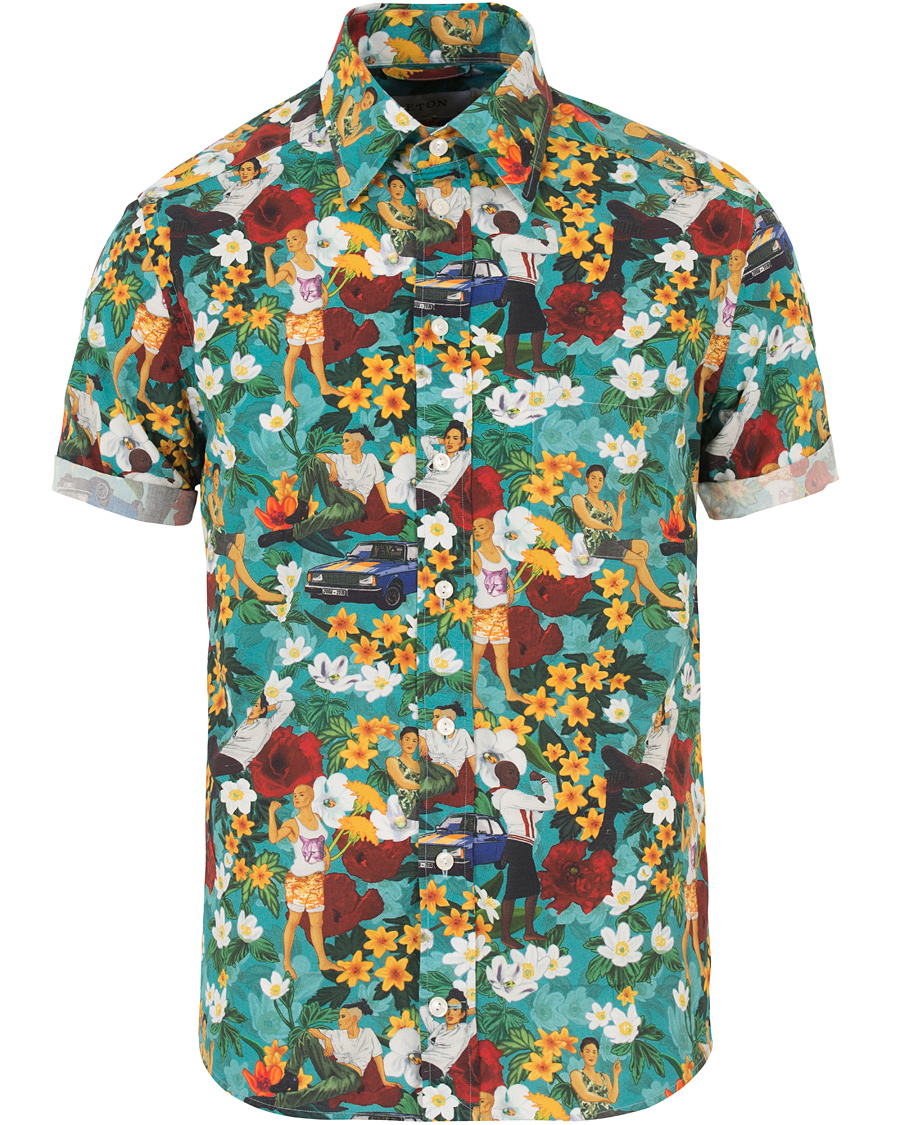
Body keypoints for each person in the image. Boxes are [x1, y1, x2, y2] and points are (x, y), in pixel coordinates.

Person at [257, 426, 404, 547]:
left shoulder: (370, 459)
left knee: (327, 515)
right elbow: (317, 456)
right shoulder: (342, 459)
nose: (343, 444)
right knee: (314, 463)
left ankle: (288, 534)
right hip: (336, 495)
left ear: (357, 444)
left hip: (355, 504)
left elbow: (379, 483)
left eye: (346, 441)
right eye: (343, 441)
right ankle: (302, 506)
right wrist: (332, 463)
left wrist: (388, 508)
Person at [247, 1001, 401, 1112]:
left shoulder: (367, 1033)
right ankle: (289, 1077)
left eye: (342, 1016)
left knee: (320, 1090)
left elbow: (377, 1057)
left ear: (353, 1018)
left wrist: (384, 1080)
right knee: (306, 1037)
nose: (338, 1020)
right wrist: (326, 1039)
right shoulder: (338, 1035)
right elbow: (311, 1031)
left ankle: (274, 1102)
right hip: (333, 1068)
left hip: (351, 1077)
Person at [572, 465, 683, 608]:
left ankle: (636, 585)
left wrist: (620, 505)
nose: (597, 482)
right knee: (638, 561)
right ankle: (661, 597)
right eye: (593, 478)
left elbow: (617, 527)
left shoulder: (607, 504)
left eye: (600, 479)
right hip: (597, 545)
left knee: (643, 545)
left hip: (611, 542)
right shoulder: (579, 499)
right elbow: (588, 521)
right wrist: (608, 527)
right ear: (586, 479)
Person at [598, 172, 726, 293]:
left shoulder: (704, 196)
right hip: (655, 221)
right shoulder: (679, 193)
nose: (687, 184)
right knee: (614, 204)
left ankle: (614, 274)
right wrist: (679, 182)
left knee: (622, 229)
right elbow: (663, 182)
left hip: (672, 225)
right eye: (685, 182)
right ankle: (631, 225)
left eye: (691, 183)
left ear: (699, 185)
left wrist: (702, 184)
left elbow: (720, 189)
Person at [269, 784, 340, 976]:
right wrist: (271, 813)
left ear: (310, 797)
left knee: (317, 923)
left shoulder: (317, 818)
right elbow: (274, 838)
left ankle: (323, 961)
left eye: (301, 794)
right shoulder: (293, 823)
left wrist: (326, 855)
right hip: (299, 880)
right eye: (294, 795)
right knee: (294, 921)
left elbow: (320, 840)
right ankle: (286, 963)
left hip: (316, 880)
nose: (296, 798)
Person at [594, 698, 680, 852]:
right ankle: (621, 772)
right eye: (658, 714)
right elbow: (655, 717)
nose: (658, 717)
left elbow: (675, 713)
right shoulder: (652, 730)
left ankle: (607, 831)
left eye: (661, 715)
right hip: (639, 766)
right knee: (607, 750)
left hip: (653, 770)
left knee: (615, 780)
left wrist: (666, 714)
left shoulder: (668, 730)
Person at [264, 228, 340, 401]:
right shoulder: (289, 267)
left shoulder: (312, 258)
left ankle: (324, 386)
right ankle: (288, 392)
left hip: (315, 315)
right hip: (298, 317)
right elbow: (272, 282)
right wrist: (267, 258)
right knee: (293, 355)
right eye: (287, 240)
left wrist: (324, 291)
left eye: (294, 238)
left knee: (317, 353)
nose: (289, 242)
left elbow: (317, 278)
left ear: (304, 240)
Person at [490, 760, 555, 949]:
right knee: (512, 891)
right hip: (517, 846)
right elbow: (550, 804)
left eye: (517, 774)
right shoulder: (512, 795)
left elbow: (532, 818)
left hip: (523, 846)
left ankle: (529, 931)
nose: (516, 777)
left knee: (533, 889)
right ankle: (505, 935)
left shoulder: (510, 797)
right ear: (500, 776)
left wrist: (538, 806)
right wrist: (543, 780)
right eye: (511, 773)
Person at [490, 211, 559, 376]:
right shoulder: (513, 240)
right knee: (517, 327)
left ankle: (536, 363)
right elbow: (553, 247)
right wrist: (546, 226)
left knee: (537, 325)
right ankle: (511, 366)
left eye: (517, 221)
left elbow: (533, 261)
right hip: (520, 286)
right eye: (511, 221)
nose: (517, 224)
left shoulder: (510, 241)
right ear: (500, 225)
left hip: (522, 285)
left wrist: (541, 251)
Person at [470, 513, 526, 708]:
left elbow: (504, 571)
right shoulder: (476, 556)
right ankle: (472, 694)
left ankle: (509, 692)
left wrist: (510, 585)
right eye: (474, 528)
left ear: (492, 530)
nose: (477, 531)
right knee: (477, 654)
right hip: (483, 613)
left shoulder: (500, 550)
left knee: (502, 654)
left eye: (481, 527)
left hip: (500, 611)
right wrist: (469, 544)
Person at [111, 244, 172, 405]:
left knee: (132, 349)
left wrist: (155, 245)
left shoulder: (169, 262)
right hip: (158, 320)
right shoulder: (172, 262)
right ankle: (136, 391)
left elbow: (145, 267)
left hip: (150, 313)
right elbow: (145, 267)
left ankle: (120, 384)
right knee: (145, 358)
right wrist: (156, 244)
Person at [695, 246, 747, 420]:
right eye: (731, 258)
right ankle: (700, 411)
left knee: (727, 379)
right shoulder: (726, 284)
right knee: (704, 374)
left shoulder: (744, 286)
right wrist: (713, 270)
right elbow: (711, 295)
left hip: (736, 340)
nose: (732, 261)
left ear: (743, 263)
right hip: (720, 337)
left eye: (736, 258)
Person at [207, 689, 295, 776]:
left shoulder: (266, 725)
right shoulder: (247, 719)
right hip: (224, 754)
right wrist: (259, 707)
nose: (253, 709)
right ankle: (213, 760)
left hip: (237, 761)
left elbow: (289, 705)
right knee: (211, 742)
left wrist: (268, 708)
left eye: (256, 706)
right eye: (254, 706)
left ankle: (213, 761)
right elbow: (250, 709)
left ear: (262, 710)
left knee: (213, 767)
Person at [680, 785, 709, 991]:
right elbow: (683, 847)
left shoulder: (696, 823)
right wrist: (682, 824)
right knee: (690, 929)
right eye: (688, 803)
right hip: (689, 885)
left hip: (692, 882)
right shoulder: (691, 828)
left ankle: (695, 968)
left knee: (692, 929)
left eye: (691, 803)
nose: (690, 806)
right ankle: (692, 969)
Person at [419, 988, 477, 1085]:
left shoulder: (466, 1030)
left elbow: (481, 1012)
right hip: (423, 1060)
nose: (450, 1013)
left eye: (455, 1009)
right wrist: (438, 1009)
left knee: (416, 1072)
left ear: (463, 1013)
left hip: (437, 1067)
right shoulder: (438, 1028)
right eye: (448, 1008)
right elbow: (423, 1010)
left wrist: (468, 1012)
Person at [418, 702, 474, 802]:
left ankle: (410, 798)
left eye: (437, 717)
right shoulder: (430, 733)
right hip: (429, 768)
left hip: (447, 775)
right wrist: (421, 738)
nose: (433, 720)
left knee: (426, 788)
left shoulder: (462, 734)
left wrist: (474, 781)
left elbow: (471, 757)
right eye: (433, 717)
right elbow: (409, 732)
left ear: (448, 719)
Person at [416, 421, 471, 509]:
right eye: (448, 437)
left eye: (455, 438)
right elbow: (424, 440)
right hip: (419, 488)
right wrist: (441, 441)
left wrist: (466, 441)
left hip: (435, 494)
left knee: (412, 504)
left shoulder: (464, 458)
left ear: (462, 442)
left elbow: (478, 442)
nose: (450, 441)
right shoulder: (436, 455)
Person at [569, 1038, 621, 1116]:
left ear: (597, 1054)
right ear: (581, 1054)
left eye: (594, 1052)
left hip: (610, 1112)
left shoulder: (604, 1076)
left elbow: (613, 1099)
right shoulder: (576, 1074)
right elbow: (585, 1095)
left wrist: (616, 1075)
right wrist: (604, 1099)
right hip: (593, 1115)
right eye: (587, 1052)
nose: (591, 1055)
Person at [385, 724, 420, 820]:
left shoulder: (420, 764)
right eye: (407, 739)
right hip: (404, 808)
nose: (410, 743)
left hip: (422, 806)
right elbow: (402, 782)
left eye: (414, 741)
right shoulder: (393, 761)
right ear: (400, 741)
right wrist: (423, 787)